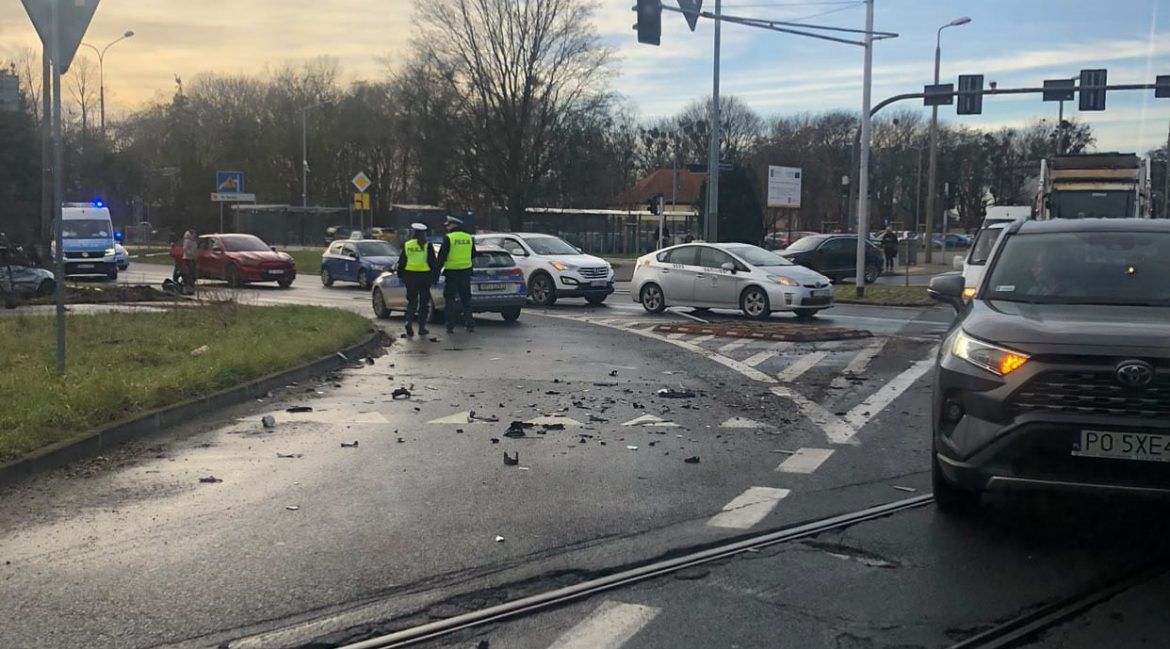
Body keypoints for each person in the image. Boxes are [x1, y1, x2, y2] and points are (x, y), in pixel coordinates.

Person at [397, 223, 439, 337]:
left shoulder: (408, 245)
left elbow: (401, 262)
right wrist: (435, 277)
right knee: (424, 303)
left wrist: (400, 275)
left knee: (412, 301)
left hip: (410, 277)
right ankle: (421, 327)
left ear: (413, 233)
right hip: (424, 276)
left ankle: (408, 322)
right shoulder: (427, 245)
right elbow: (433, 263)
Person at [437, 215, 476, 333]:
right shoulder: (469, 237)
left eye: (448, 225)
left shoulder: (449, 238)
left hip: (452, 273)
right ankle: (469, 323)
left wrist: (437, 270)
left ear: (453, 225)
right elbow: (474, 254)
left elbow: (442, 256)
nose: (447, 227)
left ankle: (450, 325)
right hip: (465, 272)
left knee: (450, 299)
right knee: (466, 299)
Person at [181, 229, 198, 294]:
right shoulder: (187, 240)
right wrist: (191, 254)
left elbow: (195, 249)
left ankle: (191, 286)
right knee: (190, 273)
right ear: (191, 234)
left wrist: (195, 256)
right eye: (194, 234)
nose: (195, 235)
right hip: (188, 258)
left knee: (193, 273)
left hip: (193, 258)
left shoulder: (194, 241)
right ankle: (188, 287)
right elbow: (185, 249)